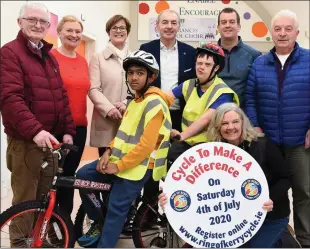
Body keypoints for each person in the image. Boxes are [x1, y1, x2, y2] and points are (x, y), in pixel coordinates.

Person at [76, 50, 173, 248]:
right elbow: (123, 135)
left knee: (116, 210)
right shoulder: (134, 101)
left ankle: (107, 233)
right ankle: (100, 222)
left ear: (151, 77)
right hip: (121, 161)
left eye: (139, 73)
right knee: (83, 176)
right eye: (130, 73)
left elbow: (146, 146)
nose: (134, 77)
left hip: (140, 167)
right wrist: (108, 152)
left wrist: (117, 167)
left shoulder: (155, 102)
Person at [159, 103, 291, 248]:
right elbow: (195, 183)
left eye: (235, 122)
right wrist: (170, 197)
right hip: (234, 220)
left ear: (243, 122)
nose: (230, 127)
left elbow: (286, 177)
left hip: (270, 217)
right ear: (217, 127)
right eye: (224, 123)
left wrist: (269, 198)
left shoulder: (262, 145)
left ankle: (281, 240)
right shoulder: (212, 152)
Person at [0, 2, 75, 245]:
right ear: (20, 22)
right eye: (32, 20)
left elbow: (60, 96)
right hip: (25, 142)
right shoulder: (10, 53)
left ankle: (39, 242)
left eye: (43, 21)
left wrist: (68, 131)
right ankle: (21, 245)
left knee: (44, 201)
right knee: (25, 203)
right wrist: (35, 130)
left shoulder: (49, 56)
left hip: (49, 141)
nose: (38, 25)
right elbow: (10, 98)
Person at [143, 43, 239, 218]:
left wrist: (181, 135)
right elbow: (166, 98)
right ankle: (161, 209)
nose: (201, 67)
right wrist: (144, 103)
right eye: (199, 62)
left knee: (201, 186)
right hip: (189, 144)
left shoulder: (222, 92)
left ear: (216, 68)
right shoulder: (189, 84)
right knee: (159, 161)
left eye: (207, 64)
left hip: (210, 147)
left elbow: (204, 120)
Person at [245, 9, 310, 248]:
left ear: (296, 32)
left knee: (304, 193)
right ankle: (272, 236)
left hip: (299, 142)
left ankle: (305, 240)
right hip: (268, 143)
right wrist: (256, 129)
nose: (282, 34)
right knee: (268, 192)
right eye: (278, 29)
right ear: (271, 33)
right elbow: (250, 98)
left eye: (287, 29)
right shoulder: (260, 63)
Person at [51, 15, 90, 217]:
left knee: (68, 178)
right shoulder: (50, 58)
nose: (74, 35)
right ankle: (46, 224)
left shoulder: (84, 62)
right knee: (50, 179)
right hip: (54, 127)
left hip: (79, 128)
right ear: (59, 32)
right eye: (69, 30)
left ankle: (63, 224)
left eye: (77, 31)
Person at [140, 9, 196, 131]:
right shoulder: (146, 50)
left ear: (179, 26)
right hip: (153, 111)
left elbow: (194, 82)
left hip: (181, 114)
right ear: (157, 26)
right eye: (165, 22)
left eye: (173, 23)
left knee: (178, 149)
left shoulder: (191, 52)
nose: (169, 26)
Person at [88, 14, 131, 157]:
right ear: (108, 32)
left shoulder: (135, 57)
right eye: (114, 28)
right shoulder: (97, 58)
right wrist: (109, 109)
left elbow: (139, 89)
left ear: (127, 32)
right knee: (105, 167)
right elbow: (93, 89)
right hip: (106, 120)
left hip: (129, 118)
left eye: (122, 28)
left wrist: (126, 103)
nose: (119, 31)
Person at [217, 7, 261, 108]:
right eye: (224, 22)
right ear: (218, 27)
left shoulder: (254, 55)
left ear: (239, 27)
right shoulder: (209, 55)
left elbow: (258, 91)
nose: (227, 25)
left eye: (232, 22)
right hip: (214, 116)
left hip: (243, 116)